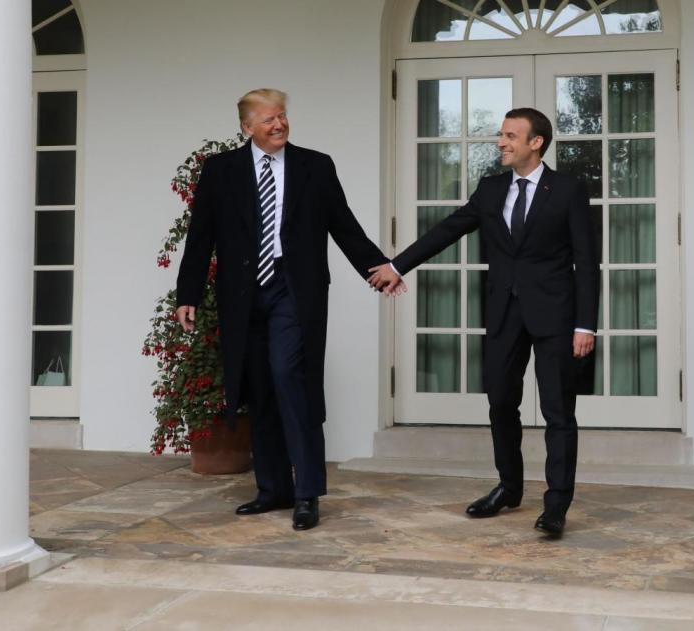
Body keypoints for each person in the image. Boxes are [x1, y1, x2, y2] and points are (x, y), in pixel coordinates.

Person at [369, 108, 599, 536]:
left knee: (558, 414)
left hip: (555, 317)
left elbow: (586, 261)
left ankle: (555, 507)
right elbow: (449, 229)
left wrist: (586, 325)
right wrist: (398, 266)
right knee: (499, 405)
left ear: (537, 142)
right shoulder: (491, 190)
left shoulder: (567, 190)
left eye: (511, 136)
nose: (501, 142)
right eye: (501, 135)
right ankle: (509, 488)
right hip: (503, 316)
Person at [176, 89, 395, 531]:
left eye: (283, 117)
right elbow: (201, 236)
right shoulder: (221, 171)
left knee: (291, 378)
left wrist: (379, 267)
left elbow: (344, 225)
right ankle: (272, 488)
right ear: (247, 128)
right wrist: (189, 295)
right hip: (243, 294)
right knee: (259, 387)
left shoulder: (315, 166)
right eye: (269, 120)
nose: (279, 125)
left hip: (294, 289)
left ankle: (306, 492)